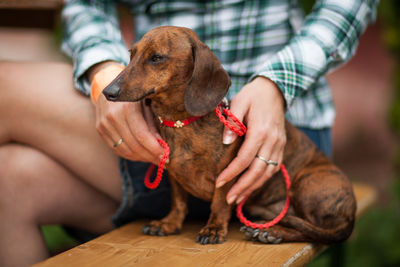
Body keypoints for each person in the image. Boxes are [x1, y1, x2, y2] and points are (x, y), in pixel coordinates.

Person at [0, 0, 378, 266]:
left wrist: (279, 82)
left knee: (6, 86)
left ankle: (217, 215)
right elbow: (88, 4)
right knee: (10, 179)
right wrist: (100, 67)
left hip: (272, 147)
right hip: (162, 131)